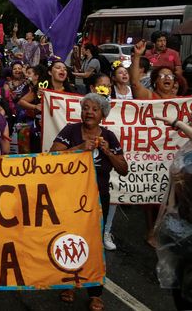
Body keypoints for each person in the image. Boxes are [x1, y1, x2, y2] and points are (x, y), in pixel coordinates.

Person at [51, 92, 128, 311]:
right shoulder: (71, 130)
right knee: (69, 240)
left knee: (94, 245)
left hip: (98, 197)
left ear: (103, 114)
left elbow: (123, 169)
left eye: (94, 109)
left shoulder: (110, 137)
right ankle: (69, 284)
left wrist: (106, 151)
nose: (89, 112)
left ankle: (95, 293)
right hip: (71, 196)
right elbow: (52, 157)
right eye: (86, 108)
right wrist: (79, 148)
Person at [154, 115, 192, 309]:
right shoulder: (186, 150)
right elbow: (173, 186)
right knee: (180, 282)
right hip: (180, 226)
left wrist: (177, 123)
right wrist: (164, 219)